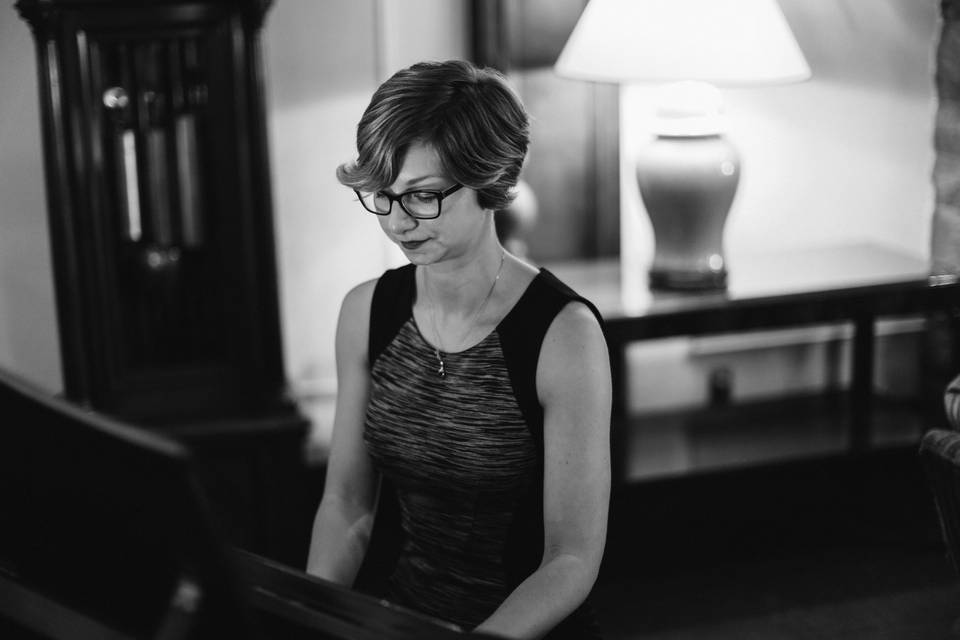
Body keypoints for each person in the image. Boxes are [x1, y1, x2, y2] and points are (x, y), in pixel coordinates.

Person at [306, 59, 611, 640]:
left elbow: (570, 560)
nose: (398, 222)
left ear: (489, 178)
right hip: (400, 619)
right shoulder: (364, 311)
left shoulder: (564, 335)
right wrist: (311, 616)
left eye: (422, 196)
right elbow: (347, 504)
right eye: (383, 196)